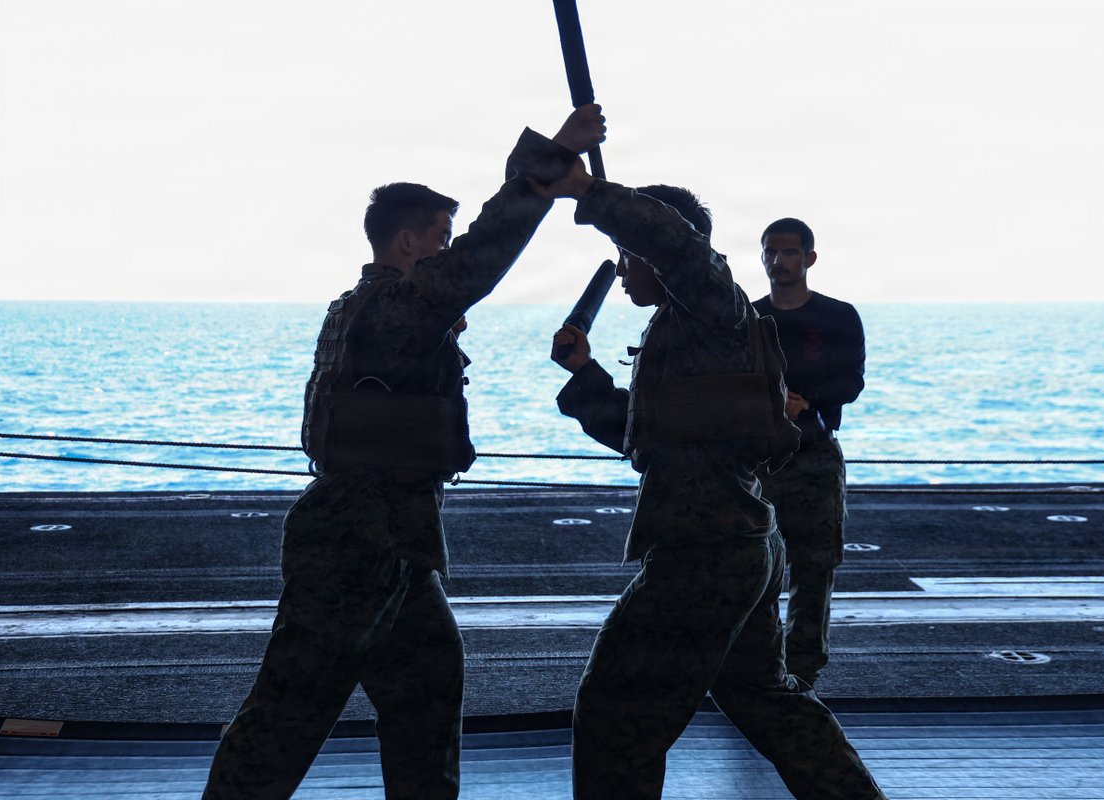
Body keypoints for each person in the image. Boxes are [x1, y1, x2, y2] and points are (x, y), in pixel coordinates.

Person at [201, 104, 606, 800]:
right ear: (411, 245)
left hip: (396, 540)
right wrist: (550, 161)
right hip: (360, 540)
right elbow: (482, 260)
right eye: (440, 240)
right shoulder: (396, 309)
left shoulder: (361, 305)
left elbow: (459, 276)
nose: (449, 252)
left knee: (428, 685)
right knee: (289, 710)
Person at [546, 167, 886, 799]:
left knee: (616, 714)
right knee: (767, 699)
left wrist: (589, 191)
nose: (621, 270)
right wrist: (588, 374)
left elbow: (674, 244)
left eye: (626, 255)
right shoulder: (684, 329)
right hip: (738, 542)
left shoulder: (713, 306)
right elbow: (645, 433)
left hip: (704, 551)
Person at [754, 217, 866, 689]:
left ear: (810, 258)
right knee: (755, 569)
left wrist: (804, 399)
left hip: (816, 454)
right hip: (759, 459)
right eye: (771, 253)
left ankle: (803, 671)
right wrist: (772, 398)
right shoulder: (751, 318)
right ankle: (755, 664)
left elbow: (852, 382)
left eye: (790, 253)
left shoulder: (839, 316)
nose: (780, 262)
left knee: (815, 567)